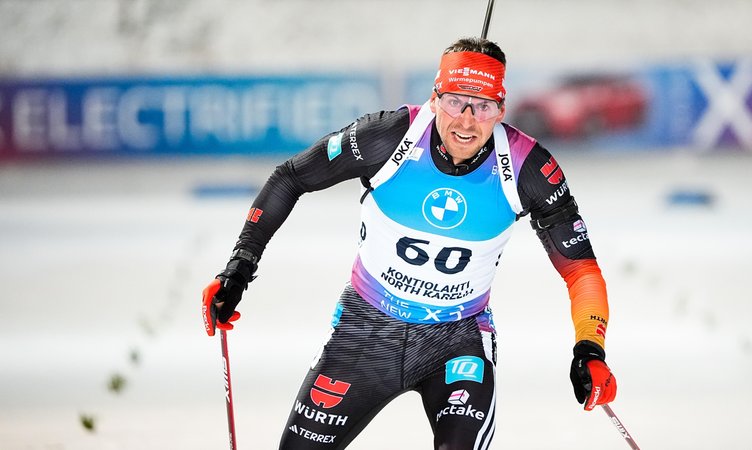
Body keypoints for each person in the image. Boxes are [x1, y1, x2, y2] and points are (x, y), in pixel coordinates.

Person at [202, 37, 617, 449]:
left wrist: (589, 348)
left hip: (457, 340)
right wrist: (239, 267)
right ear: (435, 98)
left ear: (501, 110)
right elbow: (291, 177)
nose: (467, 121)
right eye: (456, 102)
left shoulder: (529, 168)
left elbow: (581, 269)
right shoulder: (386, 138)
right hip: (366, 329)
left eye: (484, 106)